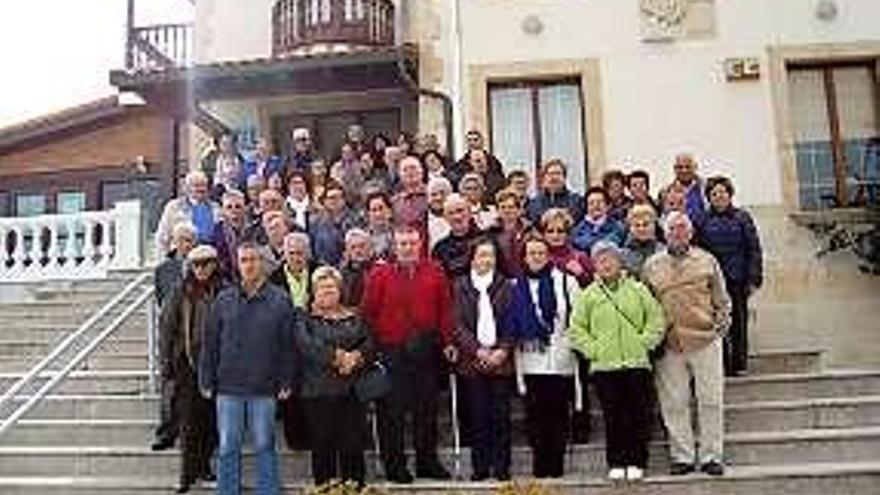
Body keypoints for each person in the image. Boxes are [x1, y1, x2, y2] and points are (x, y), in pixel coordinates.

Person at [360, 226, 458, 483]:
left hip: (425, 350)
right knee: (391, 412)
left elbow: (446, 309)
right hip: (392, 351)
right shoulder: (380, 274)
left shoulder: (435, 270)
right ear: (395, 246)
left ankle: (427, 462)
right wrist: (374, 349)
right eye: (402, 244)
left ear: (420, 245)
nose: (407, 248)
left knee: (426, 410)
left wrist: (448, 341)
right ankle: (395, 465)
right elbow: (367, 313)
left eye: (412, 243)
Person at [199, 242, 298, 495]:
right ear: (237, 264)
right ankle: (227, 491)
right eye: (243, 260)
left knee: (265, 444)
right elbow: (210, 343)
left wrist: (287, 380)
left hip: (264, 387)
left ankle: (268, 490)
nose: (249, 265)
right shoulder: (223, 300)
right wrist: (206, 378)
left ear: (263, 264)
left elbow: (288, 345)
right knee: (228, 446)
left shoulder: (280, 300)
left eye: (253, 259)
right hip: (228, 387)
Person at [643, 212, 732, 477]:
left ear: (690, 233)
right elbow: (645, 304)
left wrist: (720, 329)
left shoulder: (706, 260)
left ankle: (711, 456)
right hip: (669, 344)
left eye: (682, 228)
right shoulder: (652, 265)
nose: (678, 233)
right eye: (672, 229)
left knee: (711, 400)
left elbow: (722, 300)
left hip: (704, 340)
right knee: (674, 403)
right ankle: (681, 456)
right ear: (664, 233)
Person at [570, 241, 666, 482]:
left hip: (636, 364)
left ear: (619, 262)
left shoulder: (638, 289)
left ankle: (637, 460)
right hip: (605, 367)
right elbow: (577, 329)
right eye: (600, 260)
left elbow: (656, 320)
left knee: (638, 415)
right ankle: (617, 460)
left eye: (609, 259)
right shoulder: (589, 294)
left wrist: (644, 343)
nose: (605, 264)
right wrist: (594, 350)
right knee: (613, 417)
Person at [507, 234, 580, 478]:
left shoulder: (565, 281)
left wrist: (567, 341)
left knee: (558, 414)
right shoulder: (515, 286)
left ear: (548, 255)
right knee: (535, 416)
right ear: (524, 257)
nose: (536, 257)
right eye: (531, 253)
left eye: (541, 252)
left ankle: (556, 465)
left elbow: (578, 316)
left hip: (559, 357)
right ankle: (540, 464)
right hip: (530, 359)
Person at [298, 266, 374, 487]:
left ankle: (355, 489)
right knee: (323, 445)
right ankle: (325, 489)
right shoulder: (304, 317)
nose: (327, 291)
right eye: (322, 287)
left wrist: (357, 358)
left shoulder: (355, 314)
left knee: (352, 444)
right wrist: (339, 358)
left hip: (352, 391)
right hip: (318, 392)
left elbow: (369, 343)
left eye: (331, 286)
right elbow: (307, 346)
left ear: (340, 289)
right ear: (314, 291)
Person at [160, 245, 223, 493]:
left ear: (214, 264)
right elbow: (167, 330)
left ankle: (205, 466)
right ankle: (186, 475)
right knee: (188, 421)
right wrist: (166, 365)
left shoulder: (225, 290)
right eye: (196, 264)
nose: (201, 268)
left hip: (218, 365)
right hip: (187, 364)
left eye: (206, 263)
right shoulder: (180, 292)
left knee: (210, 421)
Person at [451, 238, 515, 481]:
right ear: (472, 258)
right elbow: (457, 325)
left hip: (501, 361)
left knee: (501, 416)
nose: (485, 260)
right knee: (478, 416)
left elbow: (512, 321)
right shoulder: (459, 286)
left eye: (490, 255)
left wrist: (502, 350)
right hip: (473, 361)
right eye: (481, 255)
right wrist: (477, 351)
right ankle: (480, 467)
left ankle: (501, 467)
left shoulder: (507, 286)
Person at [694, 176, 763, 376]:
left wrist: (754, 278)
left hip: (737, 278)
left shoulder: (742, 217)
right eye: (714, 194)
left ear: (730, 194)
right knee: (716, 323)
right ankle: (722, 364)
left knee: (739, 322)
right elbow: (698, 249)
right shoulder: (702, 219)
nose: (718, 197)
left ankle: (739, 364)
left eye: (722, 192)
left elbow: (754, 249)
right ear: (709, 197)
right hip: (713, 280)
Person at [151, 221, 197, 452]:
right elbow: (161, 299)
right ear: (174, 241)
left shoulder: (202, 265)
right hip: (172, 334)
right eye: (182, 239)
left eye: (190, 240)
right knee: (169, 385)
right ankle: (166, 431)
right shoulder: (163, 269)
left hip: (194, 334)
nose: (186, 244)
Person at [156, 171, 218, 258]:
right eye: (196, 185)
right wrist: (164, 259)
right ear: (187, 188)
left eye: (203, 185)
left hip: (208, 256)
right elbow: (162, 236)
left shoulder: (215, 207)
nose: (200, 189)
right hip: (182, 256)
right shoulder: (174, 207)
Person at [433, 193, 494, 279]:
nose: (457, 217)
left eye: (460, 210)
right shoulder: (440, 248)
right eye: (451, 213)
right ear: (445, 217)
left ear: (470, 212)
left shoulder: (488, 240)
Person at [309, 180, 363, 266]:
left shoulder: (355, 221)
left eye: (338, 197)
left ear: (344, 200)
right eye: (331, 198)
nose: (335, 201)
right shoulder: (315, 223)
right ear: (324, 201)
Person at [540, 208, 594, 287]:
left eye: (560, 231)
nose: (555, 236)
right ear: (544, 234)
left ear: (568, 233)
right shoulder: (538, 256)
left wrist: (581, 275)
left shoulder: (580, 257)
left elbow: (594, 288)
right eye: (550, 231)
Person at [525, 159, 584, 224]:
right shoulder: (534, 203)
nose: (554, 177)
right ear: (544, 178)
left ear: (564, 178)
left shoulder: (576, 201)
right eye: (551, 174)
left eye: (558, 173)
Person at [571, 186, 627, 253]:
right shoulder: (578, 229)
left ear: (607, 206)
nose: (596, 206)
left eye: (600, 202)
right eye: (591, 203)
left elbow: (611, 242)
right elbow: (577, 244)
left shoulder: (617, 226)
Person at [269, 232, 313, 310]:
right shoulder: (273, 278)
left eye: (299, 253)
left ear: (307, 253)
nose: (295, 258)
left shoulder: (318, 271)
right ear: (285, 254)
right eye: (291, 253)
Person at [212, 190, 249, 282]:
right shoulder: (216, 233)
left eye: (238, 207)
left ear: (245, 209)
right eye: (229, 207)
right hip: (225, 281)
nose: (234, 211)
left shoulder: (255, 230)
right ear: (223, 211)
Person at [622, 204, 665, 277]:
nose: (641, 229)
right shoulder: (622, 255)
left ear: (654, 226)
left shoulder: (663, 252)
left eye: (646, 224)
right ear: (630, 228)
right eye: (637, 225)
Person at [662, 153, 707, 221]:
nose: (684, 170)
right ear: (674, 169)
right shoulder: (666, 190)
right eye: (680, 167)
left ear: (695, 167)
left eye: (688, 167)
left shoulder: (705, 187)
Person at [495, 188, 529, 277]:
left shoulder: (529, 230)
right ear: (498, 210)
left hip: (524, 278)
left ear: (518, 210)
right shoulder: (491, 232)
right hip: (501, 281)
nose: (507, 211)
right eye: (503, 207)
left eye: (511, 207)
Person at [339, 228, 375, 307]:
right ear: (347, 251)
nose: (358, 251)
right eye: (353, 247)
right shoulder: (341, 274)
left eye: (362, 246)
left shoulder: (379, 271)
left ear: (370, 248)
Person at [392, 156, 429, 230]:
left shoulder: (432, 194)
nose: (409, 172)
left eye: (413, 167)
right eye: (405, 170)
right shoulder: (394, 202)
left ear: (422, 171)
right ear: (400, 175)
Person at [331, 141, 366, 206]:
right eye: (344, 152)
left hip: (357, 199)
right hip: (341, 198)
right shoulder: (336, 167)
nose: (346, 154)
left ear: (353, 153)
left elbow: (361, 184)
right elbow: (335, 182)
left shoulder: (360, 166)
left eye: (348, 152)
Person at [364, 192, 395, 260]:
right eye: (374, 210)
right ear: (368, 214)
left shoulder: (399, 235)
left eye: (381, 208)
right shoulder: (362, 238)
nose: (378, 214)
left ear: (389, 211)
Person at [427, 176, 453, 251]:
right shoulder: (423, 221)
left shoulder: (459, 219)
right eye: (434, 195)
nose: (438, 198)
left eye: (443, 193)